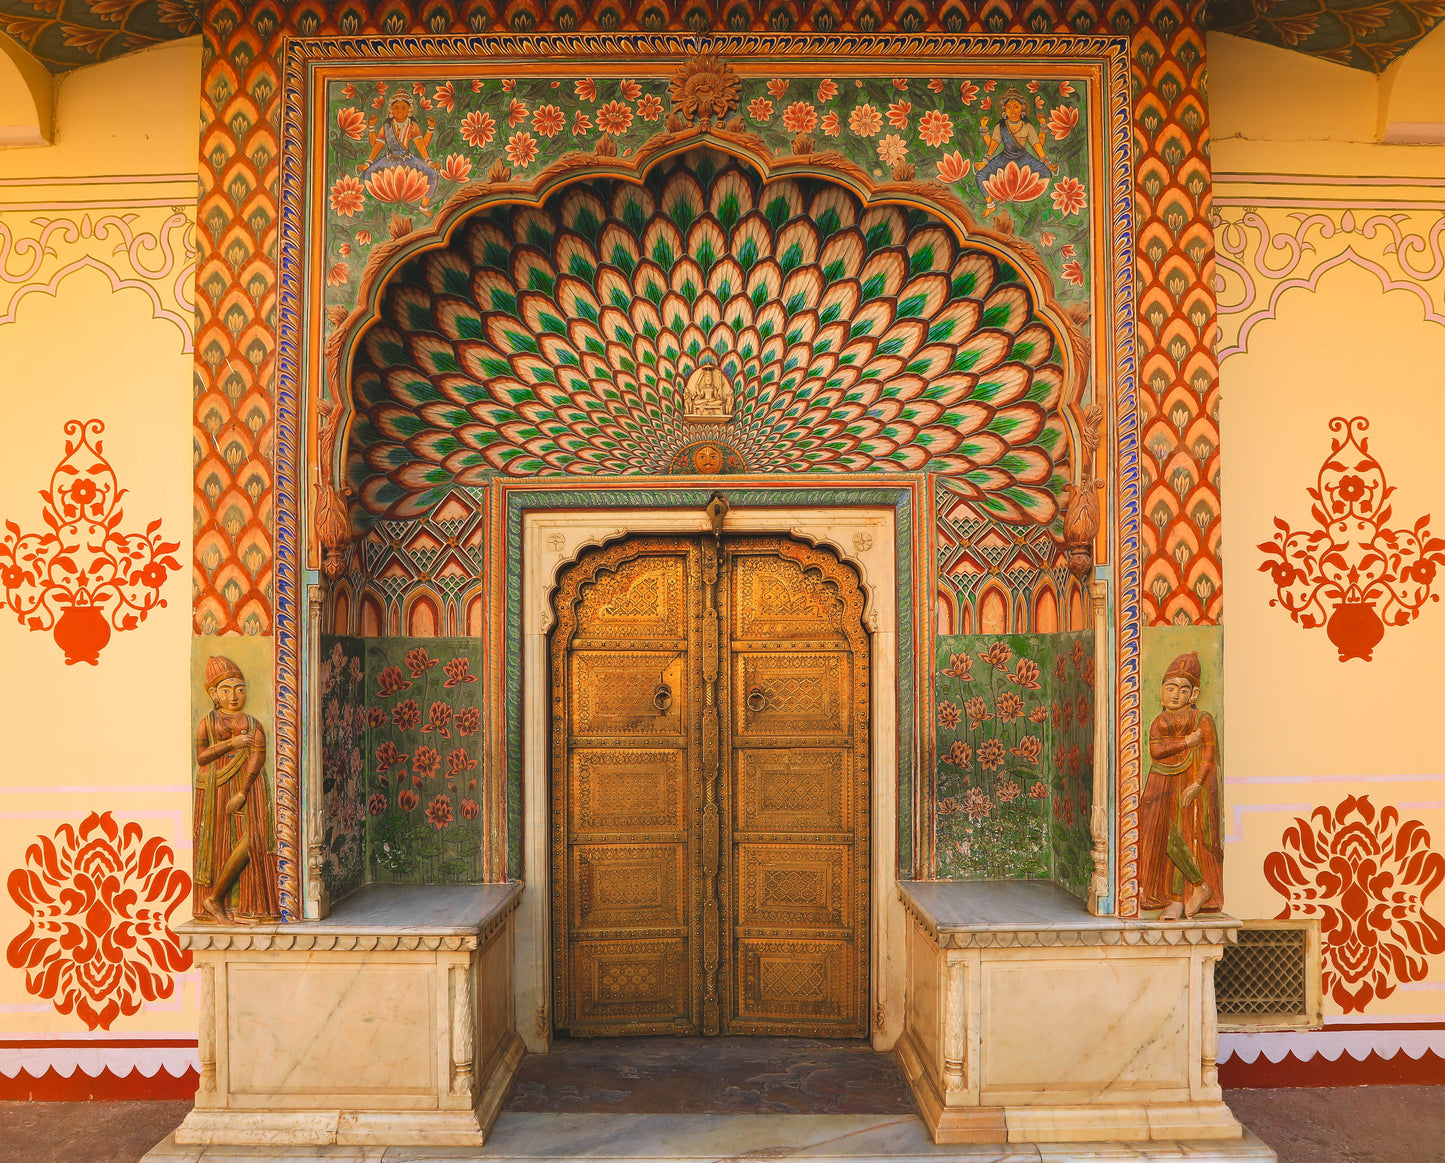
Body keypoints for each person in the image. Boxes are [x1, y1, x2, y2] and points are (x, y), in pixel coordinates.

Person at [194, 656, 279, 923]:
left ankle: (233, 901)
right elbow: (202, 757)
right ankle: (217, 901)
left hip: (249, 787)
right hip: (214, 788)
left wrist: (243, 792)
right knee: (218, 842)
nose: (234, 696)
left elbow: (258, 756)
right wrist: (231, 743)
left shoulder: (253, 723)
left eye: (240, 689)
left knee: (253, 839)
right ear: (213, 694)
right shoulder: (207, 723)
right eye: (226, 690)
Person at [1140, 651, 1221, 919]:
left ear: (1193, 694)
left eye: (1183, 690)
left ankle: (1187, 893)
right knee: (1161, 838)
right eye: (1170, 688)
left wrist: (1198, 784)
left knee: (1186, 836)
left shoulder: (1201, 719)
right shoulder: (1159, 722)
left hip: (1188, 782)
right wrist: (1187, 742)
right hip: (1160, 782)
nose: (1175, 695)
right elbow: (1157, 751)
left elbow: (1209, 754)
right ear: (1162, 691)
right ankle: (1183, 892)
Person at [975, 87, 1058, 215]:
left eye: (1016, 107)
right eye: (1009, 107)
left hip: (1023, 157)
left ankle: (1020, 195)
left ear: (1022, 109)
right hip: (1004, 157)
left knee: (1046, 173)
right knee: (980, 176)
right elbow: (992, 145)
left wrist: (1047, 163)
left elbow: (1037, 145)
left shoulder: (1027, 126)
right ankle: (990, 204)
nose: (1013, 111)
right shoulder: (1000, 126)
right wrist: (984, 161)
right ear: (1004, 110)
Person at [358, 91, 439, 209]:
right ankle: (379, 205)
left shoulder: (412, 124)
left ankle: (423, 206)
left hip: (408, 158)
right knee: (368, 174)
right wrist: (367, 163)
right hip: (389, 159)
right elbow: (377, 145)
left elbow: (421, 144)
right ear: (391, 109)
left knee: (432, 175)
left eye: (403, 107)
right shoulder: (387, 125)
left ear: (409, 110)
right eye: (396, 107)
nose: (400, 110)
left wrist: (430, 162)